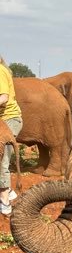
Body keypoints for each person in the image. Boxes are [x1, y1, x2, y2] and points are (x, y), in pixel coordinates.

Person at [0, 56, 23, 216]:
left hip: (9, 120)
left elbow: (3, 98)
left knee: (2, 161)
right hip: (5, 120)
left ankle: (5, 204)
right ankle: (9, 191)